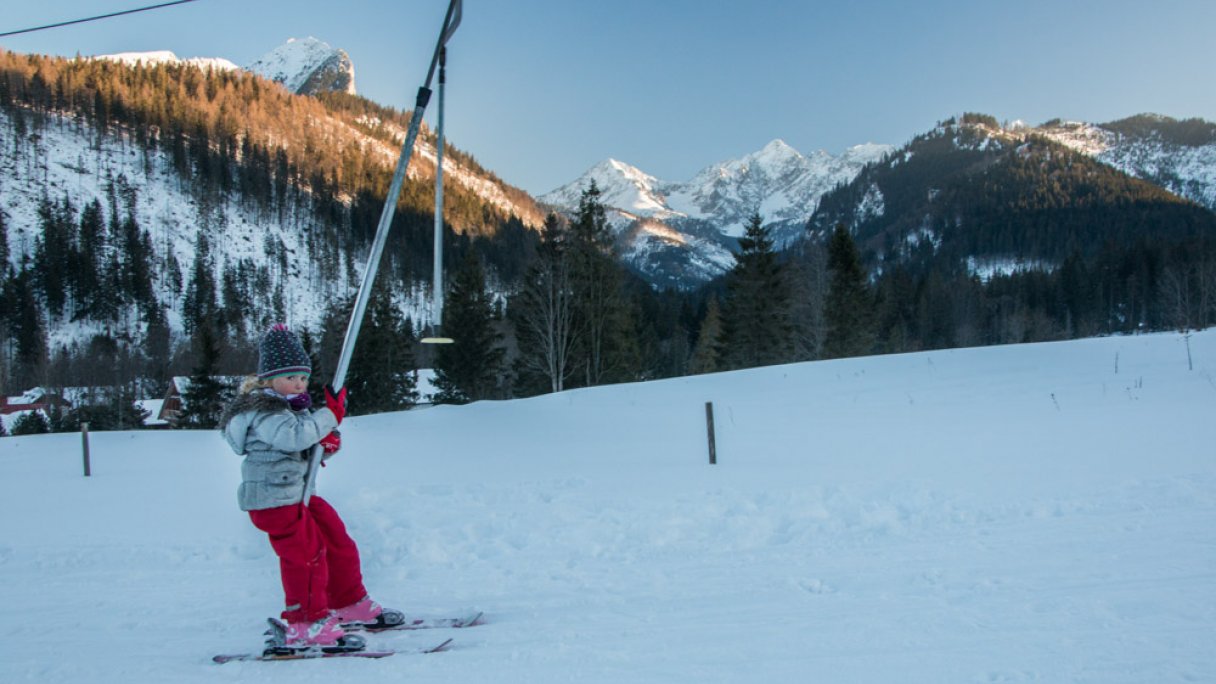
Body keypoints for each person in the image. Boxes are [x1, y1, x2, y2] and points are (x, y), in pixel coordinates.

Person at [219, 323, 402, 651]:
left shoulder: (291, 409)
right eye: (291, 378)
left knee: (336, 540)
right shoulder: (264, 411)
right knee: (306, 556)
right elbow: (294, 437)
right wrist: (328, 417)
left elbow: (305, 444)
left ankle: (347, 603)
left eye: (303, 377)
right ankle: (305, 622)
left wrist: (328, 442)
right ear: (269, 379)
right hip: (274, 501)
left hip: (298, 495)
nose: (299, 384)